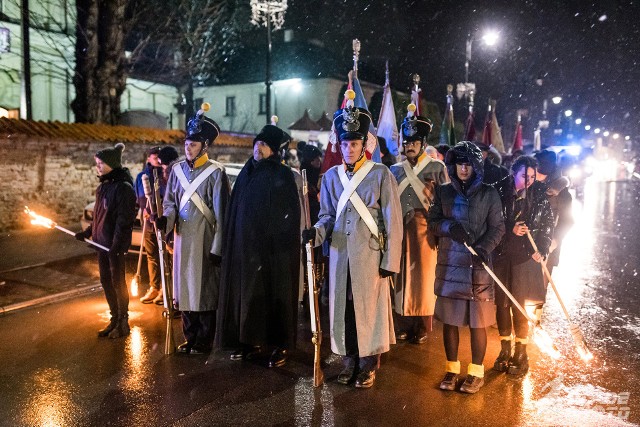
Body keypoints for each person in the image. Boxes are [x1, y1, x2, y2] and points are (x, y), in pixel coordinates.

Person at [302, 91, 403, 389]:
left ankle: (368, 365)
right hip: (339, 256)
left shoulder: (382, 174)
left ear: (364, 145)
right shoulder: (332, 177)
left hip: (370, 257)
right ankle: (349, 361)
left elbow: (392, 222)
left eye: (354, 143)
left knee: (367, 312)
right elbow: (327, 216)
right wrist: (316, 233)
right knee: (344, 312)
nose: (348, 148)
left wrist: (390, 261)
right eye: (344, 143)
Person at [215, 123, 301, 368]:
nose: (258, 148)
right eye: (256, 143)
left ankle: (279, 345)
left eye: (263, 145)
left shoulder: (282, 175)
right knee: (248, 297)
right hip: (245, 249)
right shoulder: (247, 171)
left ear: (273, 150)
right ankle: (249, 341)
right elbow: (235, 208)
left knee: (274, 295)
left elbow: (288, 216)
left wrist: (277, 244)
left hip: (271, 252)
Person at [427, 141, 504, 394]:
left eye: (468, 164)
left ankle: (476, 372)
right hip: (450, 267)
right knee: (450, 322)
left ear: (476, 166)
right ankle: (451, 369)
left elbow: (497, 228)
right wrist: (450, 227)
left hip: (478, 267)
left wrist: (483, 248)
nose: (463, 168)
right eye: (459, 163)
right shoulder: (444, 192)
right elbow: (434, 222)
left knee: (477, 323)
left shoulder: (489, 194)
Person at [155, 104, 230, 355]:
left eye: (194, 144)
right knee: (184, 288)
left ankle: (204, 340)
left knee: (204, 289)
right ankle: (190, 336)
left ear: (205, 146)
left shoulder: (216, 172)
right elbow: (170, 203)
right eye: (187, 143)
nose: (188, 147)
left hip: (205, 239)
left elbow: (221, 214)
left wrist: (218, 247)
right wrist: (165, 221)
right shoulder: (176, 170)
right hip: (182, 239)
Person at [390, 104, 447, 344]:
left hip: (426, 230)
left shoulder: (437, 167)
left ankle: (422, 324)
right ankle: (402, 322)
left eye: (414, 141)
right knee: (401, 275)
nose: (409, 145)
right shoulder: (394, 170)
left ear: (423, 143)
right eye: (406, 141)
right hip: (400, 229)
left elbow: (445, 202)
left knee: (424, 278)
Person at [492, 156, 554, 376]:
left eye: (531, 177)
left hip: (525, 257)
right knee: (502, 304)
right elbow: (492, 219)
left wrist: (543, 247)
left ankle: (521, 352)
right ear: (513, 173)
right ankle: (504, 349)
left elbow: (547, 224)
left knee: (519, 305)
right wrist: (510, 229)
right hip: (501, 255)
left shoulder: (539, 195)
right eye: (523, 176)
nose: (528, 181)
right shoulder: (498, 191)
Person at [75, 143, 136, 339]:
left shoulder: (123, 188)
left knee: (118, 282)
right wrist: (88, 232)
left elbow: (123, 220)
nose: (98, 166)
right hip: (101, 244)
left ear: (111, 164)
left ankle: (123, 322)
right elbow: (99, 216)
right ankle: (114, 318)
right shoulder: (103, 187)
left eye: (101, 163)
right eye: (97, 163)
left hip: (113, 246)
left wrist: (116, 245)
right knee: (106, 281)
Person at [532, 149, 573, 321]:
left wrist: (554, 241)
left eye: (539, 173)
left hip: (548, 245)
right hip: (527, 242)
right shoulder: (530, 185)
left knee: (541, 282)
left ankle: (535, 318)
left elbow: (567, 221)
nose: (535, 176)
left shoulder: (562, 194)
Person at [135, 147, 165, 305]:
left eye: (159, 158)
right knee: (151, 255)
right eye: (155, 158)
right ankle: (154, 287)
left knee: (165, 256)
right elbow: (139, 195)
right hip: (148, 222)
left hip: (161, 221)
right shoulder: (142, 176)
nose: (158, 161)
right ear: (149, 159)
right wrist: (145, 208)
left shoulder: (166, 175)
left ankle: (165, 290)